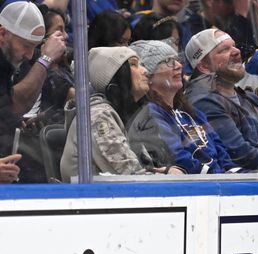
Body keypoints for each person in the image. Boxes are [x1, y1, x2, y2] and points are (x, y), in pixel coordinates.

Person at [60, 46, 184, 178]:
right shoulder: (98, 116)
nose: (145, 71)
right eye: (133, 65)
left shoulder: (124, 115)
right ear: (114, 76)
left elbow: (141, 168)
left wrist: (165, 171)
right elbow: (129, 175)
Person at [184, 29, 258, 176]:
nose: (236, 52)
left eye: (234, 46)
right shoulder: (203, 102)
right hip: (249, 187)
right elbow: (241, 154)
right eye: (224, 49)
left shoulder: (252, 100)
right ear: (203, 66)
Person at [127, 40, 242, 174]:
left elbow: (221, 151)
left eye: (177, 59)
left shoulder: (192, 112)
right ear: (148, 75)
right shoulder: (150, 115)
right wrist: (216, 175)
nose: (178, 65)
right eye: (167, 61)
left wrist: (235, 174)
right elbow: (177, 157)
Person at [0, 0, 67, 180]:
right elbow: (17, 104)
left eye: (34, 48)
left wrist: (12, 119)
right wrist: (45, 59)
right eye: (26, 46)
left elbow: (7, 107)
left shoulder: (6, 64)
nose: (30, 55)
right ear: (2, 33)